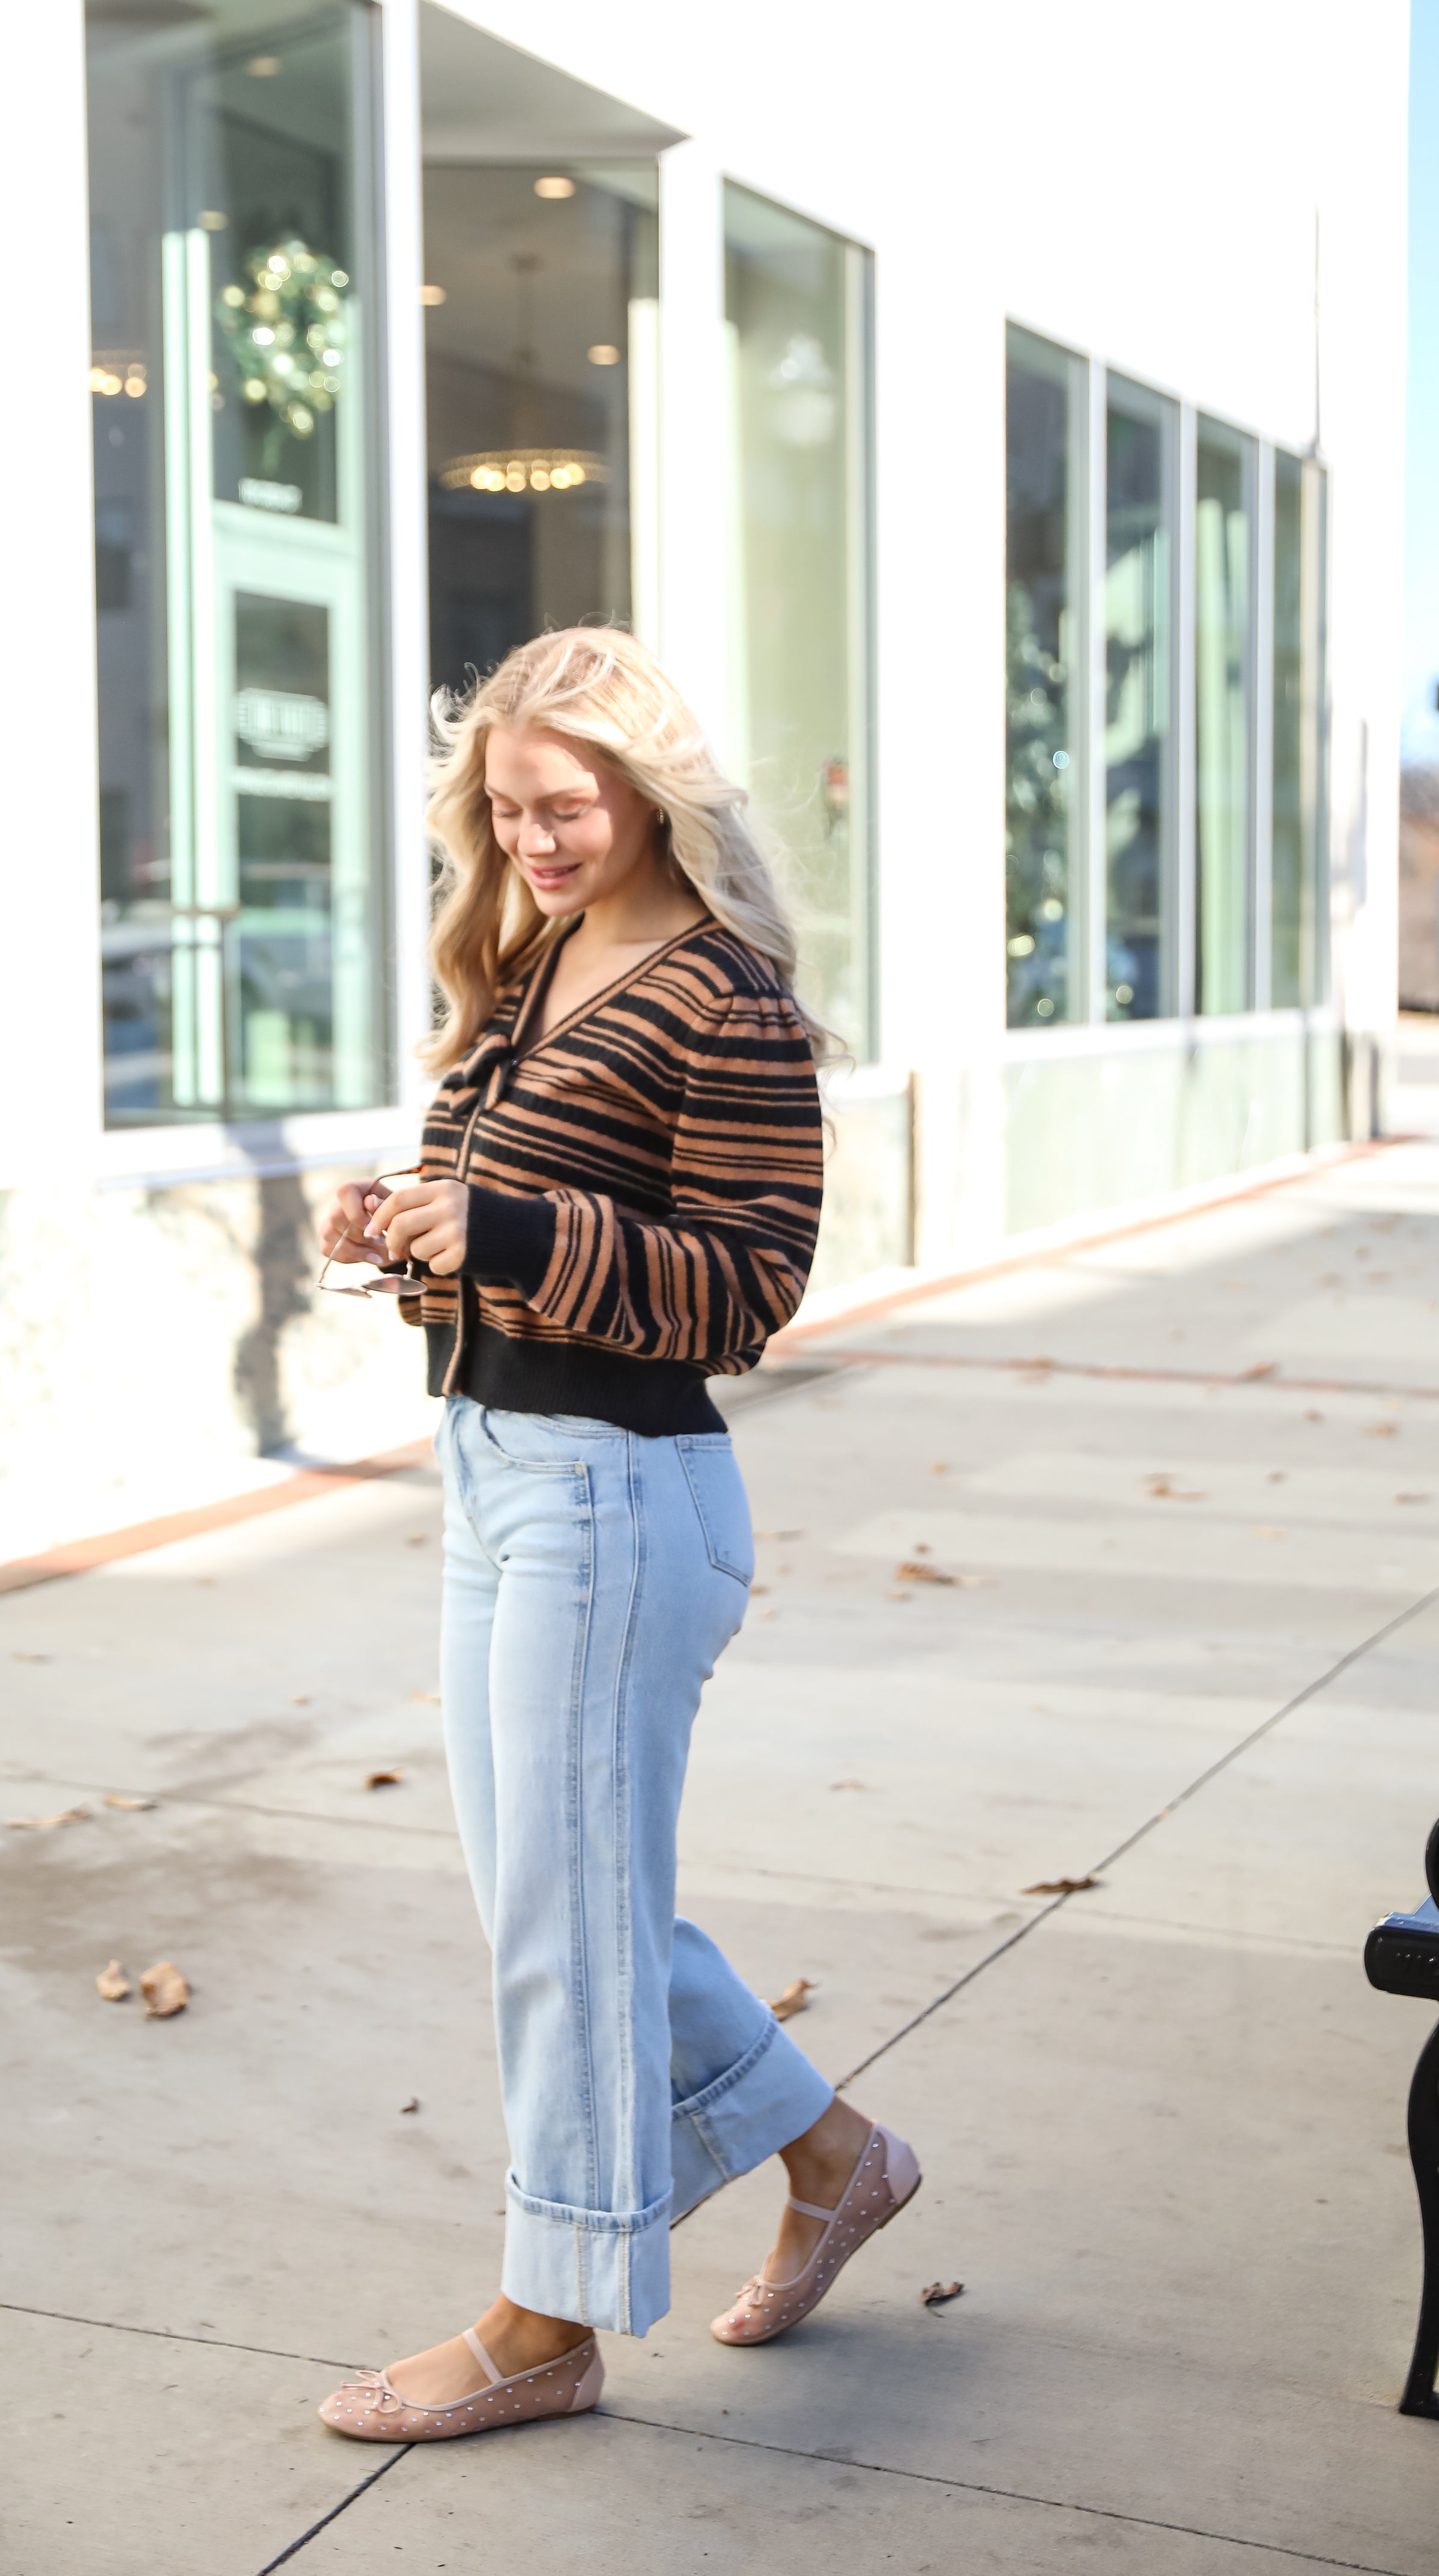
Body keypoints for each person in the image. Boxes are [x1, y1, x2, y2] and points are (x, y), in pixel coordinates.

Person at [315, 629, 919, 2443]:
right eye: (503, 815)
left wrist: (489, 1234)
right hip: (499, 1465)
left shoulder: (717, 993)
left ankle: (548, 2319)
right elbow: (513, 1213)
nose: (532, 842)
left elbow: (748, 1287)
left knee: (565, 1930)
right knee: (556, 1905)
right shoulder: (537, 956)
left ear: (650, 791)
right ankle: (835, 2156)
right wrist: (406, 1224)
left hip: (619, 1491)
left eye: (562, 808)